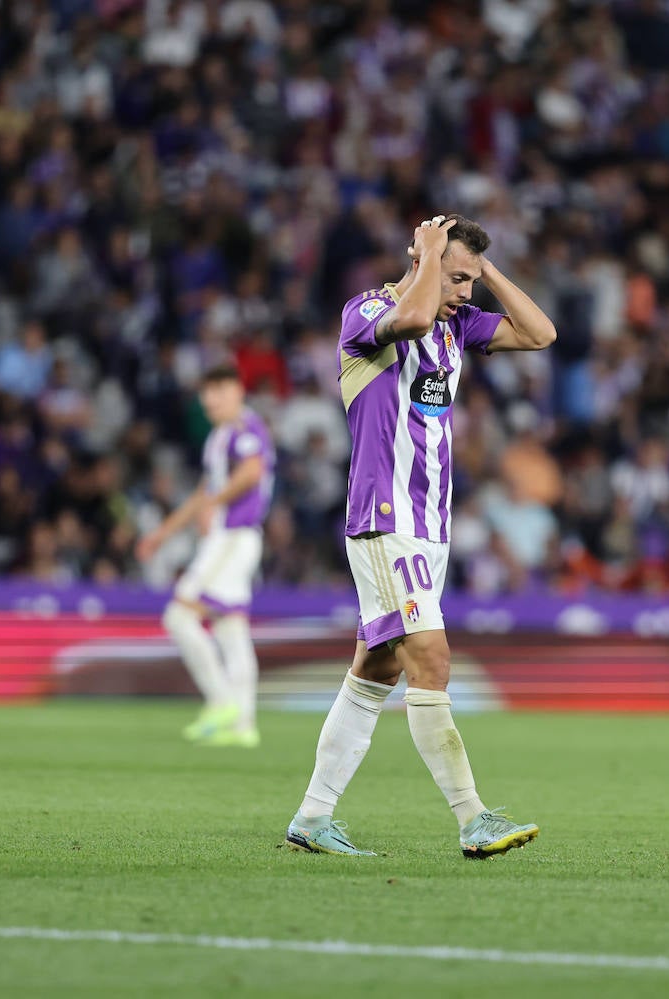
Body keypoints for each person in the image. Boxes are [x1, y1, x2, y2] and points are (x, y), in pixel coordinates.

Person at [284, 214, 556, 858]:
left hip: (429, 525)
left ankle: (313, 817)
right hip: (385, 519)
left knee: (374, 671)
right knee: (431, 660)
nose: (464, 292)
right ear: (420, 255)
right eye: (456, 277)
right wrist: (431, 260)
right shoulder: (368, 310)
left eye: (470, 280)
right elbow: (407, 319)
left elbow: (541, 333)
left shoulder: (459, 326)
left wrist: (483, 270)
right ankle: (473, 818)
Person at [136, 365, 275, 747]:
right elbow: (203, 492)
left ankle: (220, 701)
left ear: (237, 391)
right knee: (232, 630)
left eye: (219, 389)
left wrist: (214, 504)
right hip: (232, 538)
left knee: (179, 615)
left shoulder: (247, 429)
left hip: (232, 536)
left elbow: (251, 471)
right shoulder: (220, 437)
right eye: (206, 391)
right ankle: (243, 725)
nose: (210, 398)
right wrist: (163, 533)